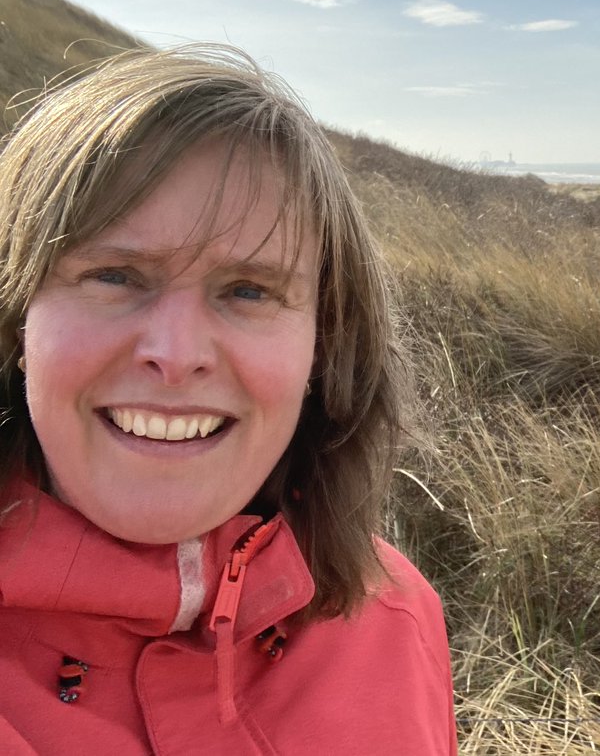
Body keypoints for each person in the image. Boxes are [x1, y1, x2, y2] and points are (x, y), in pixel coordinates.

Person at [0, 45, 457, 753]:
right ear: (18, 322)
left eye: (249, 290)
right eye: (115, 275)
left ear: (323, 348)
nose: (177, 353)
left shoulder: (394, 614)